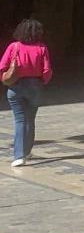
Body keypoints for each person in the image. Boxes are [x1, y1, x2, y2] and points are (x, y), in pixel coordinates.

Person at [1, 18, 53, 168]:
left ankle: (19, 156)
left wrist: (6, 78)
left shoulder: (14, 46)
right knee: (30, 120)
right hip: (35, 86)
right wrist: (42, 82)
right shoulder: (42, 48)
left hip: (16, 86)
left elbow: (2, 66)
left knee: (20, 120)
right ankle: (27, 151)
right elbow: (47, 71)